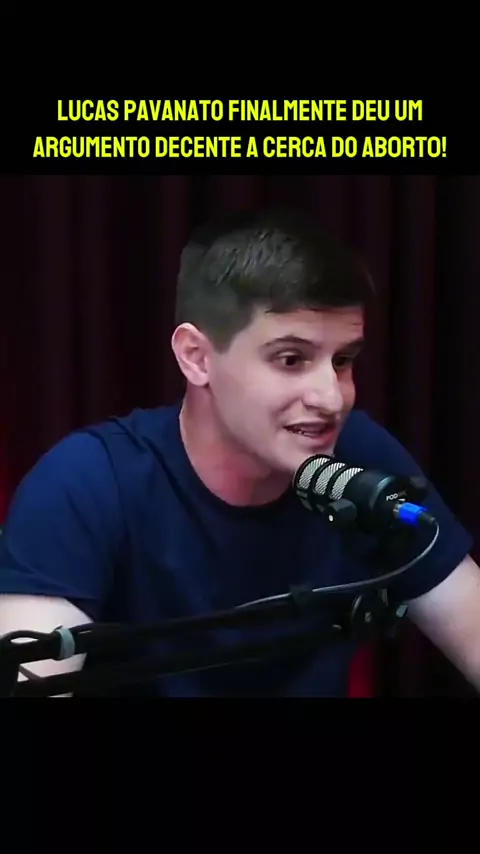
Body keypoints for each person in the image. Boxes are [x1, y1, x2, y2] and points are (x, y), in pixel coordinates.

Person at [0, 208, 477, 697]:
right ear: (196, 357)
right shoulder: (85, 483)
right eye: (291, 359)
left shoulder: (359, 455)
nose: (332, 398)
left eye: (343, 360)